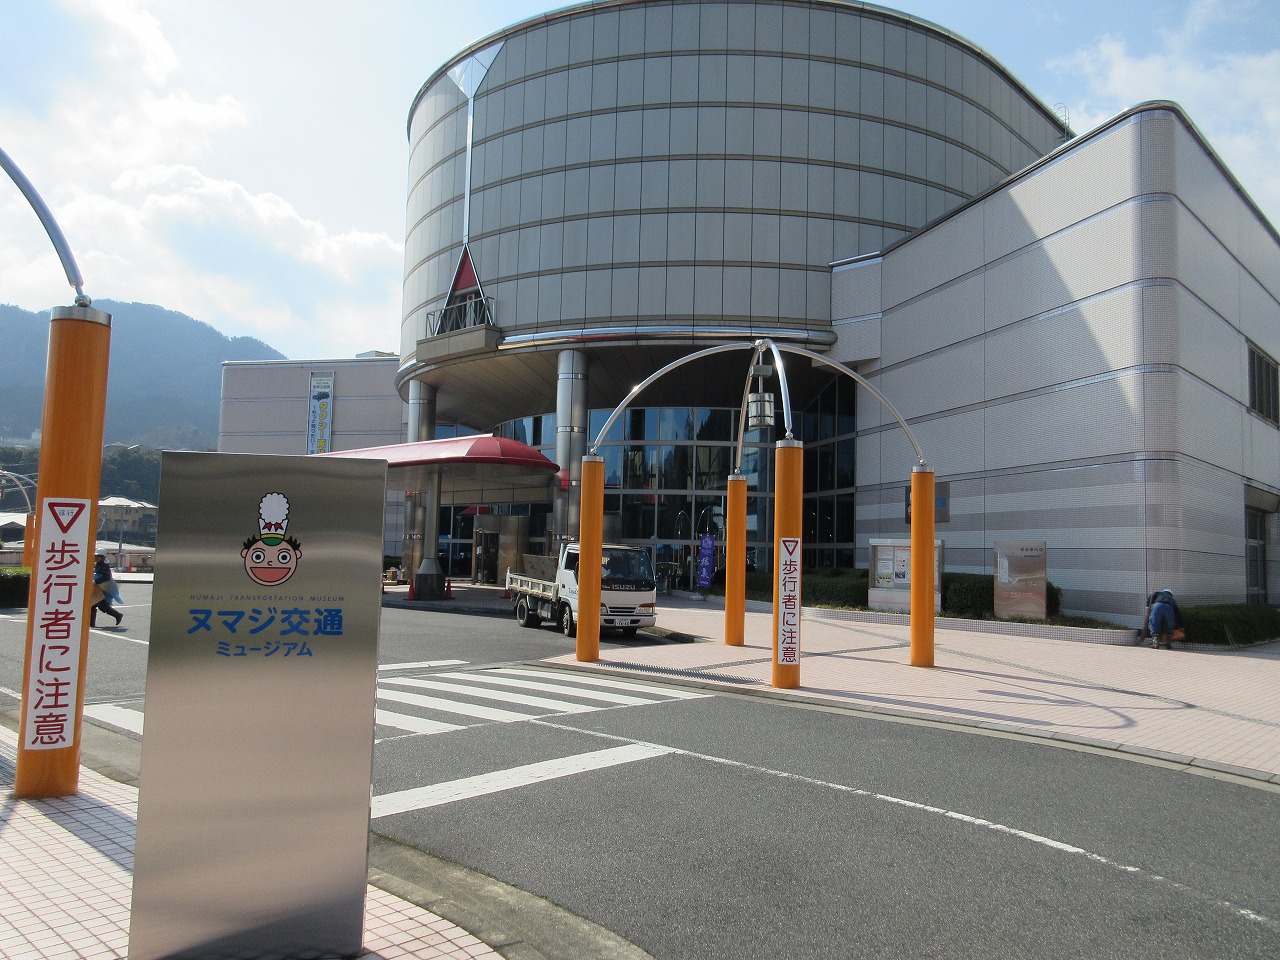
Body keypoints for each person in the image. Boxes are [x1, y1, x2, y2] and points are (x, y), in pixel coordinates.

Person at [91, 553, 123, 627]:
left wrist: (96, 581)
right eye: (96, 556)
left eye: (99, 556)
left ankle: (118, 615)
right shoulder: (99, 564)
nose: (96, 558)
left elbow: (106, 577)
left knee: (100, 605)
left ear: (102, 557)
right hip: (99, 587)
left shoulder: (103, 566)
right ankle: (91, 624)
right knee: (94, 604)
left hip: (104, 587)